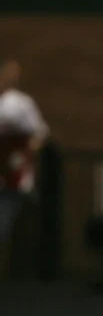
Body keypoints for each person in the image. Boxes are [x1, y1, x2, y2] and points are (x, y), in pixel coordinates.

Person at [0, 59, 49, 253]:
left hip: (12, 173)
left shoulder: (21, 103)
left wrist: (23, 155)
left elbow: (40, 133)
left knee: (5, 220)